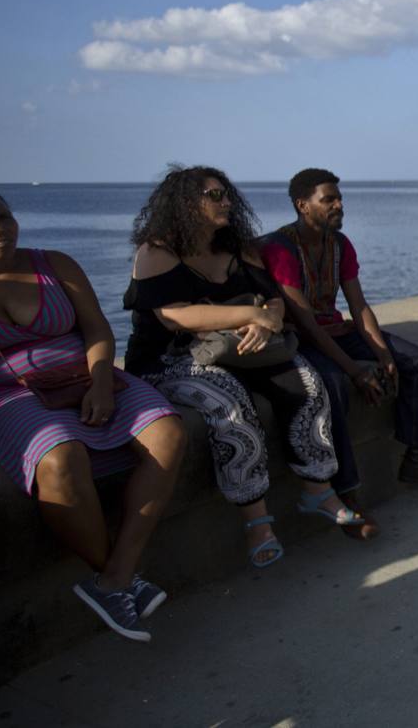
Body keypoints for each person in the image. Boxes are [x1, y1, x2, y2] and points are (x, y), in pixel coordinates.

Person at [0, 181, 185, 642]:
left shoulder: (54, 265)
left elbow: (98, 330)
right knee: (59, 458)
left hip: (85, 374)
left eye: (2, 216)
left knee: (167, 432)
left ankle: (116, 577)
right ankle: (117, 578)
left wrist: (102, 382)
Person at [124, 166, 359, 571]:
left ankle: (318, 489)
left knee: (307, 382)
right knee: (231, 405)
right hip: (171, 359)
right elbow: (174, 316)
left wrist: (265, 319)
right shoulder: (157, 252)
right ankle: (257, 521)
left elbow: (273, 301)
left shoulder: (238, 248)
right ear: (185, 204)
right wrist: (250, 314)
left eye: (227, 194)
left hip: (241, 350)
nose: (227, 202)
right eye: (215, 196)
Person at [259, 169, 418, 542]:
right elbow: (305, 323)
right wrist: (355, 371)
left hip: (336, 330)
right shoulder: (280, 248)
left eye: (339, 198)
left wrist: (382, 353)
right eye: (329, 200)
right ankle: (346, 494)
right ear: (303, 205)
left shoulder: (340, 244)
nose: (339, 205)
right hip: (300, 338)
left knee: (414, 359)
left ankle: (416, 456)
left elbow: (358, 304)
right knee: (332, 384)